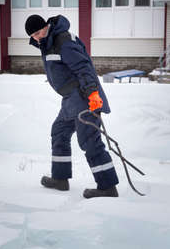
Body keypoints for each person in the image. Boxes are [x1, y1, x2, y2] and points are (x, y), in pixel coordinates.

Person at [24, 14, 119, 199]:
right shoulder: (49, 41)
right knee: (59, 131)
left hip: (84, 96)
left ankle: (107, 187)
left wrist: (92, 93)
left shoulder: (63, 40)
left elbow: (84, 68)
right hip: (71, 99)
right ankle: (60, 179)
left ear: (46, 26)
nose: (37, 37)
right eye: (33, 36)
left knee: (89, 140)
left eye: (38, 32)